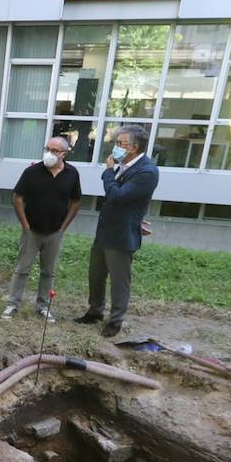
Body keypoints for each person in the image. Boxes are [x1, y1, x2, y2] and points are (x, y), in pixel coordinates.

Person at [75, 125, 159, 338]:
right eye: (116, 142)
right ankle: (95, 311)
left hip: (121, 235)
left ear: (134, 147)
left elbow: (118, 196)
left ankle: (115, 321)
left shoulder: (147, 171)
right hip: (106, 230)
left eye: (121, 143)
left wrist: (108, 172)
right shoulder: (124, 165)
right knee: (96, 274)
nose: (116, 147)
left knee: (119, 280)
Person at [2, 136, 82, 323]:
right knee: (22, 269)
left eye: (55, 151)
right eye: (47, 149)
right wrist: (25, 225)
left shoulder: (72, 173)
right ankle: (12, 304)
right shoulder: (32, 172)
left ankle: (43, 307)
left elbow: (76, 201)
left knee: (48, 271)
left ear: (64, 154)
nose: (49, 154)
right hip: (32, 231)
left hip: (55, 232)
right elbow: (17, 197)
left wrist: (63, 227)